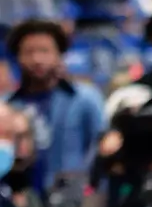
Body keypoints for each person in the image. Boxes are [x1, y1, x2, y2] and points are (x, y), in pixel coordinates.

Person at [5, 22, 103, 193]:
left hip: (73, 200)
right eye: (29, 52)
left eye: (45, 51)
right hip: (21, 201)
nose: (37, 60)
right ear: (17, 57)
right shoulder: (6, 107)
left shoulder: (85, 99)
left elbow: (99, 146)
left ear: (59, 55)